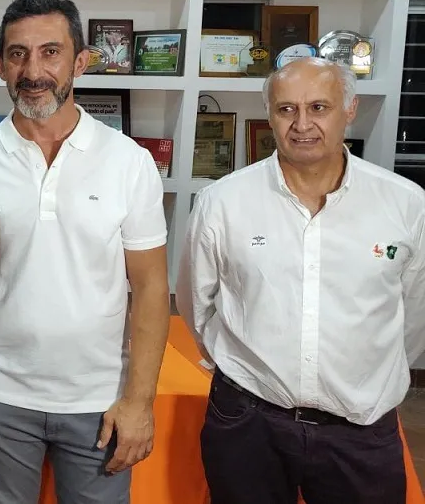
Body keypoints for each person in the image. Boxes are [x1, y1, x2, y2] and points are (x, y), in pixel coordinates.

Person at [176, 57, 425, 504]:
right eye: (287, 109)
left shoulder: (405, 205)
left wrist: (365, 370)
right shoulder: (222, 202)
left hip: (362, 428)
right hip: (247, 422)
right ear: (270, 114)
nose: (302, 124)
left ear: (349, 109)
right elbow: (197, 304)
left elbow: (415, 312)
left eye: (319, 107)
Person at [0, 0, 169, 504]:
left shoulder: (127, 160)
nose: (33, 70)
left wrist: (139, 402)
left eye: (50, 52)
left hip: (98, 400)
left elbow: (151, 285)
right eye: (17, 54)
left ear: (81, 61)